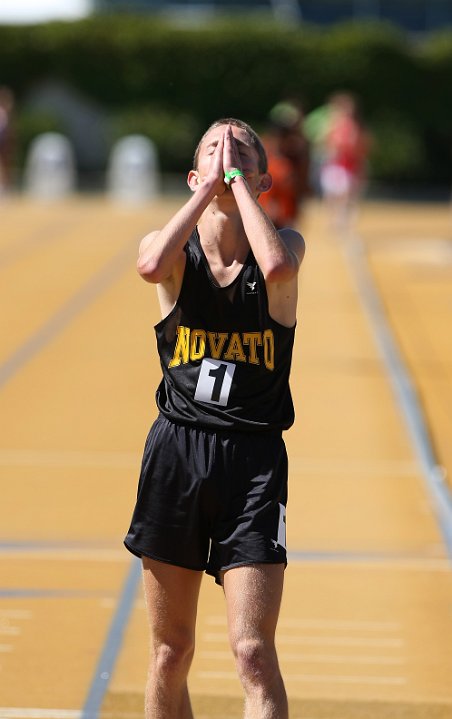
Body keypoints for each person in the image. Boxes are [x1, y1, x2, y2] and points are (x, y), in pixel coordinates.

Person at [124, 117, 305, 719]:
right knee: (171, 652)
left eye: (242, 150)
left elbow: (277, 269)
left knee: (252, 651)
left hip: (252, 458)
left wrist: (236, 185)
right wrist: (209, 188)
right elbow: (150, 267)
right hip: (177, 452)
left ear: (263, 178)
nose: (228, 153)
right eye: (213, 148)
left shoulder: (284, 246)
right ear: (192, 175)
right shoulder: (171, 251)